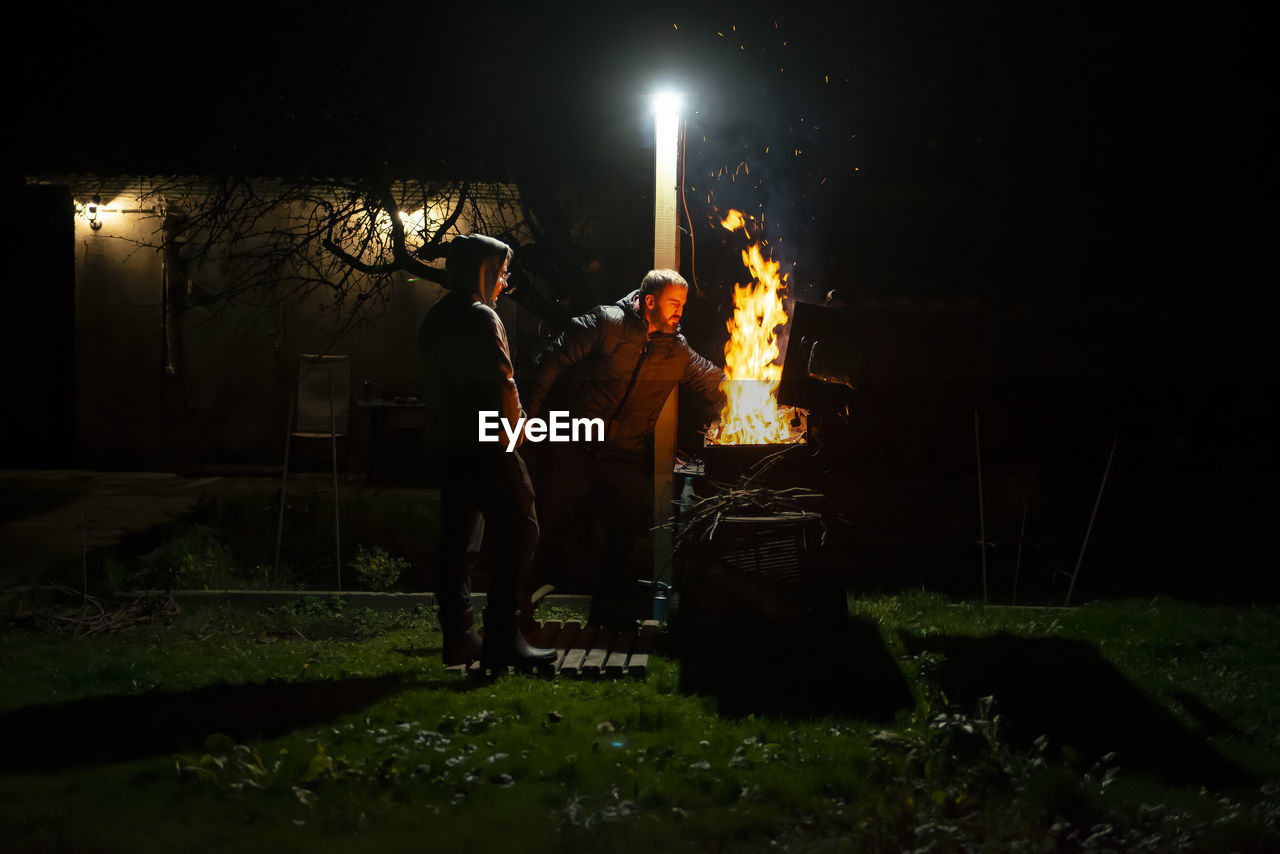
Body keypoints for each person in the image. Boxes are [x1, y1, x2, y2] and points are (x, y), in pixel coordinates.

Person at [521, 269, 725, 627]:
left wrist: (766, 394)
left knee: (628, 526)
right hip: (574, 446)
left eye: (683, 305)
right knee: (542, 526)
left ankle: (607, 612)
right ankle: (515, 606)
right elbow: (550, 361)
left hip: (624, 455)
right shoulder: (606, 323)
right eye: (674, 304)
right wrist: (527, 415)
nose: (680, 311)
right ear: (649, 302)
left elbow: (711, 379)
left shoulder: (676, 349)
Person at [416, 234, 556, 669]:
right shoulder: (482, 317)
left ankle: (458, 636)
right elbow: (502, 381)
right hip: (488, 444)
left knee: (459, 540)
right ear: (485, 271)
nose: (505, 282)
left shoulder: (436, 316)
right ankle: (502, 637)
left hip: (448, 443)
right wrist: (516, 429)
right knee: (521, 528)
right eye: (502, 272)